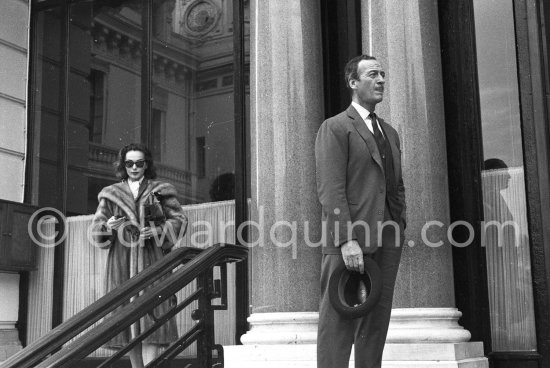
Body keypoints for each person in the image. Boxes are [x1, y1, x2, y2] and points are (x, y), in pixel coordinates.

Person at [315, 55, 406, 368]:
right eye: (372, 74)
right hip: (349, 241)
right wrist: (346, 239)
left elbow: (395, 185)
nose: (381, 80)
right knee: (338, 321)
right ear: (353, 83)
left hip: (388, 238)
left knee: (375, 322)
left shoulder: (390, 133)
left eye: (382, 73)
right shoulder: (336, 128)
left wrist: (399, 224)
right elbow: (330, 189)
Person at [91, 143, 188, 367]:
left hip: (153, 259)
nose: (134, 167)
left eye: (139, 163)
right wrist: (109, 226)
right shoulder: (110, 194)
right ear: (123, 165)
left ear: (147, 165)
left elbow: (180, 221)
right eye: (129, 163)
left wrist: (157, 230)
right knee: (126, 323)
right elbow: (96, 229)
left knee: (154, 316)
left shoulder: (161, 190)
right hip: (121, 262)